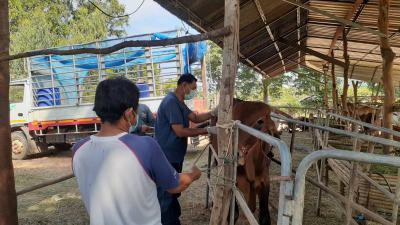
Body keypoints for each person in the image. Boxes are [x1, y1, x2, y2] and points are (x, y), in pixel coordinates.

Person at [72, 77, 201, 225]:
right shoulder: (145, 146)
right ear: (129, 114)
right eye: (136, 111)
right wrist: (193, 174)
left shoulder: (78, 149)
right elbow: (176, 185)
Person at [155, 73, 218, 225]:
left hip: (174, 154)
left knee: (174, 190)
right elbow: (180, 131)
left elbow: (195, 118)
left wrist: (212, 113)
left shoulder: (179, 102)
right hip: (167, 155)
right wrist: (207, 131)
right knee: (167, 193)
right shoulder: (171, 102)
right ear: (184, 85)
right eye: (193, 88)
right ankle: (167, 221)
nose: (193, 92)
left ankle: (173, 219)